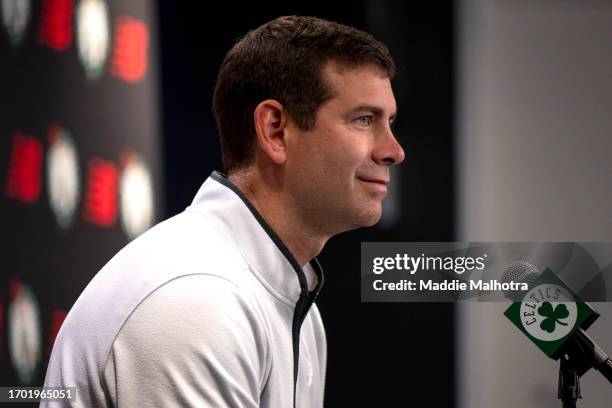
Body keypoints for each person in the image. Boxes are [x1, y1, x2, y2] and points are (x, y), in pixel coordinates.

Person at [42, 15, 404, 407]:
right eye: (364, 120)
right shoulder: (196, 298)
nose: (394, 151)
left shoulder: (290, 299)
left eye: (389, 123)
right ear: (275, 130)